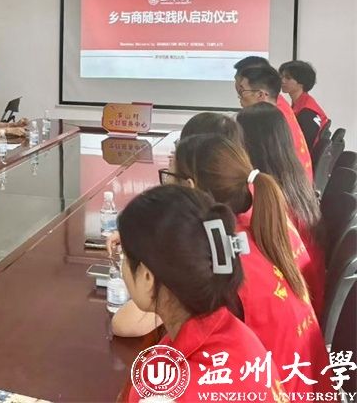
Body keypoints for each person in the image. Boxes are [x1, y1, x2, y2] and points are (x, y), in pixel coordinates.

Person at [119, 185, 282, 402]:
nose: (122, 266)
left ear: (147, 277)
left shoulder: (168, 395)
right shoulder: (240, 336)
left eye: (124, 256)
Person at [237, 102, 325, 315]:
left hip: (297, 303)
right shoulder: (295, 179)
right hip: (311, 293)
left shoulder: (267, 195)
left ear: (251, 147)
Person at [236, 64, 313, 181]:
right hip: (298, 184)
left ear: (261, 95)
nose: (239, 95)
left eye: (242, 90)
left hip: (285, 185)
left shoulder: (268, 120)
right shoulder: (279, 106)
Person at [278, 60, 329, 151]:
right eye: (281, 76)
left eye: (288, 78)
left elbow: (304, 144)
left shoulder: (307, 111)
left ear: (301, 82)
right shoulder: (301, 103)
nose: (282, 80)